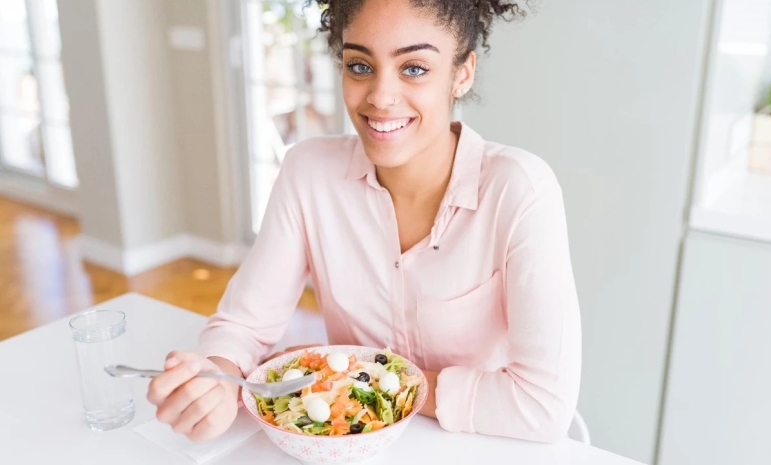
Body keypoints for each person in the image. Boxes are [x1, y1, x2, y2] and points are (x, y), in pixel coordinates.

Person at [147, 0, 581, 445]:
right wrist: (219, 377)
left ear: (462, 73)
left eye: (414, 68)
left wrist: (362, 374)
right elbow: (243, 327)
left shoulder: (520, 190)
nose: (379, 95)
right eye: (359, 65)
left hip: (485, 444)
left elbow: (542, 403)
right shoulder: (308, 174)